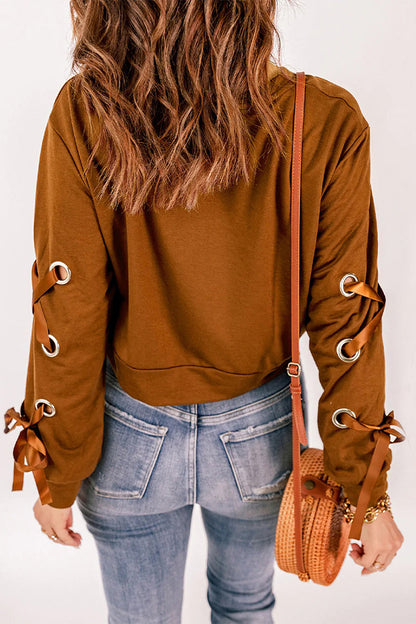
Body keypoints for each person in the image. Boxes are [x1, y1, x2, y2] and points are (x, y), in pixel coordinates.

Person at [4, 1, 404, 622]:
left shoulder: (85, 111)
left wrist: (57, 469)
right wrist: (367, 490)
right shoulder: (323, 118)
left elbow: (69, 309)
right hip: (261, 433)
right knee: (246, 607)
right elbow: (344, 318)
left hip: (127, 434)